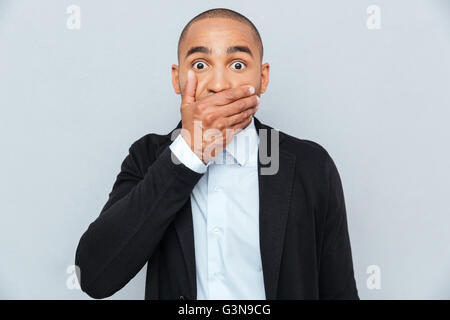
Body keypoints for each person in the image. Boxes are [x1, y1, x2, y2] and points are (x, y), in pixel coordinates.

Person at [75, 8, 359, 300]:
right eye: (200, 65)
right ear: (177, 79)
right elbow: (96, 276)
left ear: (263, 77)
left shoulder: (311, 166)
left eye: (237, 65)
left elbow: (339, 292)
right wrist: (189, 152)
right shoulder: (148, 157)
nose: (219, 84)